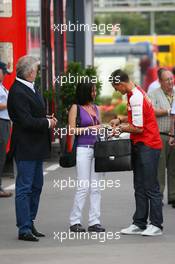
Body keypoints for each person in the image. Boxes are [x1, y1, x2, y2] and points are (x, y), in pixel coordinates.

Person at [7, 55, 57, 242]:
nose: (37, 71)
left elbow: (32, 114)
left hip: (36, 146)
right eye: (36, 68)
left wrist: (45, 118)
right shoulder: (17, 91)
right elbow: (26, 121)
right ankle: (24, 228)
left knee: (36, 186)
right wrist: (47, 122)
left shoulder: (30, 87)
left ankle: (30, 221)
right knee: (25, 188)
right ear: (29, 71)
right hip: (26, 147)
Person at [110, 69, 163, 236]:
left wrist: (117, 129)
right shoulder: (136, 93)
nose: (116, 91)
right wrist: (120, 119)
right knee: (139, 185)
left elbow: (138, 128)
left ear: (121, 83)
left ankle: (156, 225)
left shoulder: (136, 97)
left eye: (116, 87)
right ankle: (139, 223)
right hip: (143, 145)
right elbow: (136, 117)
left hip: (148, 145)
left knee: (150, 186)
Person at [69, 81, 105, 233]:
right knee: (83, 186)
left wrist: (106, 130)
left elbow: (100, 128)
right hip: (83, 150)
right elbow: (71, 130)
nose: (94, 93)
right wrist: (91, 128)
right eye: (92, 91)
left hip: (97, 150)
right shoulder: (75, 108)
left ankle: (94, 221)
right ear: (85, 92)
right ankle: (75, 221)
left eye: (95, 91)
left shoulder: (96, 108)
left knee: (96, 188)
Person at [148, 68, 175, 207]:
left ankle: (173, 196)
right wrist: (169, 110)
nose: (170, 82)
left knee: (174, 168)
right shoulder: (153, 94)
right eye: (167, 79)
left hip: (174, 135)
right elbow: (151, 111)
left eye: (171, 78)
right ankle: (158, 196)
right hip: (160, 136)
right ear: (160, 81)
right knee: (160, 168)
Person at [0, 61, 13, 198]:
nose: (5, 75)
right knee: (0, 156)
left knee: (2, 155)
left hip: (4, 122)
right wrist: (9, 104)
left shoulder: (2, 87)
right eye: (4, 72)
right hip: (0, 123)